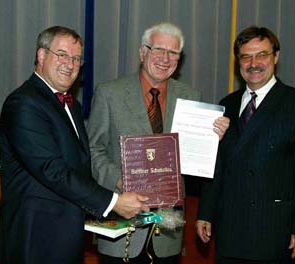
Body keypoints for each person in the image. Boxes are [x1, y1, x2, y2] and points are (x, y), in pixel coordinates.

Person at [0, 26, 149, 264]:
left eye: (76, 59)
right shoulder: (24, 103)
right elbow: (52, 170)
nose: (70, 64)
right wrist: (113, 201)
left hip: (66, 236)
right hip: (33, 239)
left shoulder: (71, 106)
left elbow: (81, 166)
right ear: (41, 55)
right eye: (62, 55)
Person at [87, 22, 229, 264]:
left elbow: (195, 165)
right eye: (158, 50)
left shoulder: (191, 98)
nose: (165, 58)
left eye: (173, 53)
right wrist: (120, 180)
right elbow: (93, 150)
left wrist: (213, 141)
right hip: (123, 225)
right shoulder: (109, 93)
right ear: (143, 52)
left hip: (168, 232)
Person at [196, 26, 295, 264]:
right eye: (246, 56)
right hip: (230, 231)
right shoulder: (227, 104)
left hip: (275, 233)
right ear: (238, 62)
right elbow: (217, 166)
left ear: (276, 57)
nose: (253, 63)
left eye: (262, 55)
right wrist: (205, 212)